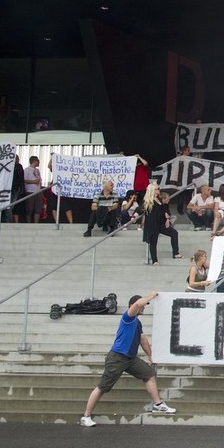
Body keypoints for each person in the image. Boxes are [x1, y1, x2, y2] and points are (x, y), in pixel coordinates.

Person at [80, 291, 176, 427]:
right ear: (132, 306)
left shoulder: (137, 323)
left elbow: (143, 340)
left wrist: (151, 356)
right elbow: (138, 303)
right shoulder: (128, 317)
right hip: (117, 357)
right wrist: (152, 296)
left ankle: (158, 404)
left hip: (130, 359)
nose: (144, 308)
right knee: (102, 387)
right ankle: (86, 417)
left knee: (149, 374)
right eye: (143, 306)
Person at [142, 183, 181, 265]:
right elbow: (143, 210)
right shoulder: (148, 200)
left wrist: (167, 219)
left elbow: (163, 210)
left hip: (161, 222)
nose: (159, 190)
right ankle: (154, 260)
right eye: (157, 189)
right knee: (153, 242)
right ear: (153, 190)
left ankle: (175, 253)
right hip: (153, 223)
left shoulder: (159, 199)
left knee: (174, 233)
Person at [23, 155, 43, 223]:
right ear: (34, 161)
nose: (39, 162)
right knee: (29, 208)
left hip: (38, 191)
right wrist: (33, 182)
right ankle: (28, 222)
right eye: (38, 161)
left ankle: (36, 222)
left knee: (38, 208)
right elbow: (24, 180)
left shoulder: (37, 170)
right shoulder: (27, 170)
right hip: (30, 191)